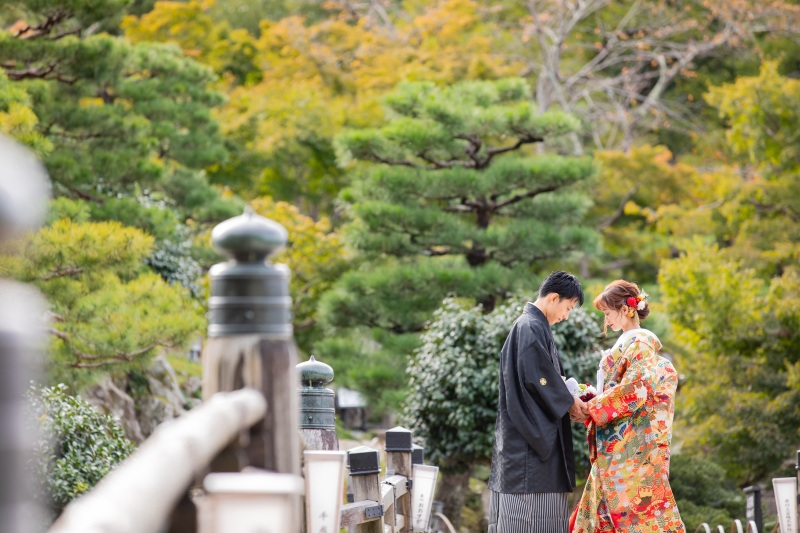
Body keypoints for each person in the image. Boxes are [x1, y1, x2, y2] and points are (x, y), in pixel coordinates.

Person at [569, 280, 685, 533]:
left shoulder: (641, 344)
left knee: (629, 514)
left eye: (608, 313)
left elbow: (635, 389)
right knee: (607, 513)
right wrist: (591, 400)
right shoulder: (629, 344)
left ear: (626, 309)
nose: (606, 320)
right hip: (621, 444)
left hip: (633, 446)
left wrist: (592, 407)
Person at [487, 271, 590, 533]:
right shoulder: (530, 326)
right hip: (528, 448)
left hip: (525, 442)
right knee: (528, 519)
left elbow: (543, 378)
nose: (566, 316)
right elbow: (538, 379)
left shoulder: (532, 326)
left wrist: (568, 396)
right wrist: (570, 403)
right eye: (568, 308)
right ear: (554, 298)